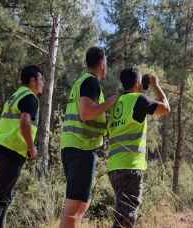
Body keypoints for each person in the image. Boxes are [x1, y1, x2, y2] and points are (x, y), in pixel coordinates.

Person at [59, 47, 117, 228]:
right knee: (74, 205)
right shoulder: (91, 82)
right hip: (80, 148)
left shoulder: (82, 82)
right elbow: (86, 113)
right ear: (101, 64)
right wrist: (110, 103)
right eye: (105, 62)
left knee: (81, 203)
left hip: (77, 146)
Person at [107, 68, 170, 228]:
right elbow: (165, 108)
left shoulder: (115, 104)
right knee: (125, 219)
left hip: (114, 167)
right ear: (137, 83)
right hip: (130, 167)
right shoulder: (138, 100)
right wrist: (156, 85)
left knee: (123, 214)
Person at [0, 65, 43, 228]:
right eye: (41, 79)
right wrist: (32, 147)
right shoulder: (30, 97)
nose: (42, 83)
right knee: (1, 198)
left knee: (5, 196)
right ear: (33, 80)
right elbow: (24, 122)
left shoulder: (15, 95)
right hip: (11, 151)